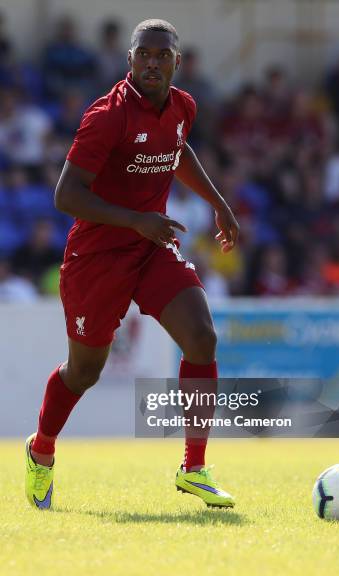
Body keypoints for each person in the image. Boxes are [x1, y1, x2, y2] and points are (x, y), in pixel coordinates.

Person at [25, 19, 239, 511]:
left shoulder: (183, 106)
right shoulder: (106, 116)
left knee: (202, 337)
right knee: (84, 372)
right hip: (96, 256)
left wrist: (218, 202)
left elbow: (176, 149)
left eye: (163, 55)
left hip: (149, 244)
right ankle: (41, 450)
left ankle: (194, 467)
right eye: (144, 53)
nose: (152, 62)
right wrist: (134, 219)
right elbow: (65, 194)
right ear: (129, 60)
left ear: (176, 64)